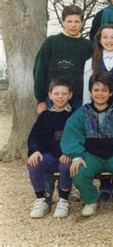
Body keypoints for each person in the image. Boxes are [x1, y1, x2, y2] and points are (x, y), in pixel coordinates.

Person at [60, 72, 113, 216]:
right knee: (78, 171)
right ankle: (91, 200)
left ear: (110, 93)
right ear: (90, 92)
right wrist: (77, 156)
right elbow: (72, 133)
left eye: (104, 90)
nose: (100, 93)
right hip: (90, 155)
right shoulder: (81, 113)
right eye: (96, 90)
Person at [27, 78, 74, 218]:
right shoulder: (45, 116)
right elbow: (35, 137)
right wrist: (34, 151)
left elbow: (77, 138)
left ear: (70, 95)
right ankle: (41, 199)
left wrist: (69, 152)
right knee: (35, 163)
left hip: (67, 155)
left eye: (64, 93)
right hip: (50, 155)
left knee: (66, 166)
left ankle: (63, 199)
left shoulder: (74, 115)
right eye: (56, 93)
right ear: (50, 95)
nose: (60, 97)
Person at [34, 5, 93, 114]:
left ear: (82, 22)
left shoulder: (88, 46)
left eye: (77, 21)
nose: (73, 25)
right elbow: (40, 71)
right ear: (62, 22)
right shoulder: (51, 42)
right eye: (69, 21)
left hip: (78, 100)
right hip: (53, 99)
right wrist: (41, 100)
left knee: (76, 131)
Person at [83, 24, 113, 109]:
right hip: (97, 113)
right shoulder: (91, 62)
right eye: (105, 37)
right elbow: (87, 91)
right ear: (99, 40)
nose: (109, 40)